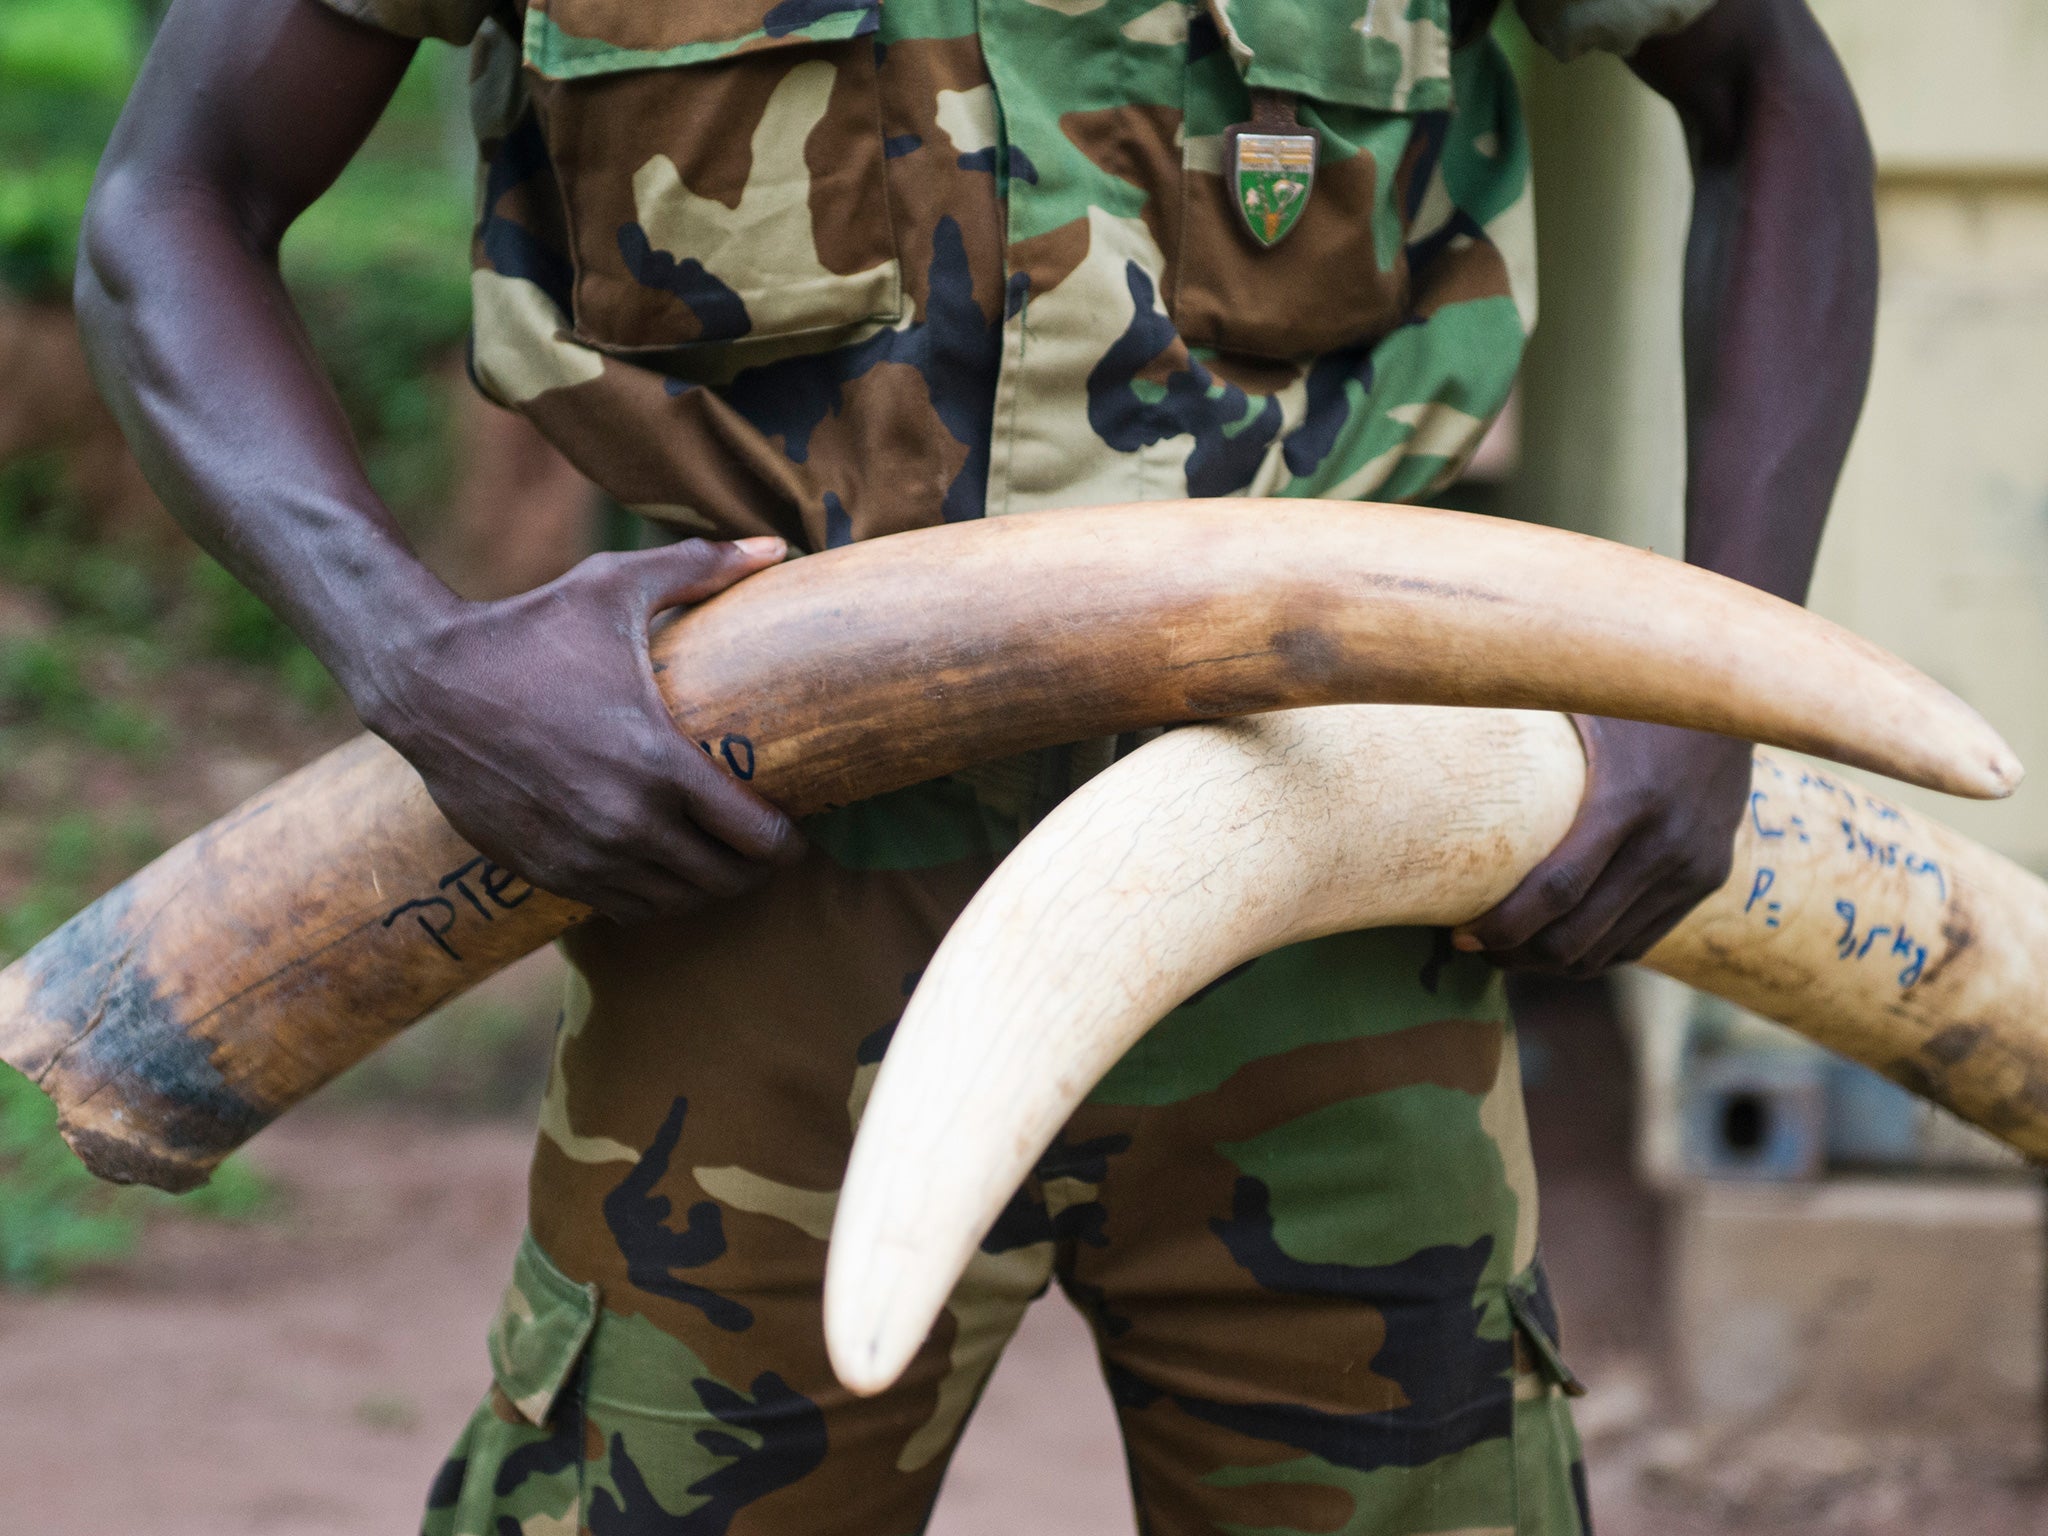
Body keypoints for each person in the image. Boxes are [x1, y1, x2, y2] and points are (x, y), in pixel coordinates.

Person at [74, 0, 1875, 1528]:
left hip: (1329, 893)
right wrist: (415, 655)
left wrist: (1713, 680)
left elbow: (1768, 91)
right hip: (756, 908)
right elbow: (176, 198)